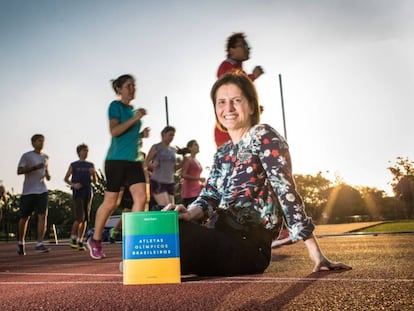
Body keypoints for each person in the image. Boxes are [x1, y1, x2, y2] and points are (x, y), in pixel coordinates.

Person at [164, 71, 351, 276]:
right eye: (221, 102)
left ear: (252, 106)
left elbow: (284, 189)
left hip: (250, 247)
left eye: (236, 100)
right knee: (166, 225)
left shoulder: (263, 136)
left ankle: (149, 262)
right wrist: (188, 214)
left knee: (176, 238)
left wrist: (315, 252)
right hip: (220, 236)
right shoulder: (223, 153)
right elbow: (209, 196)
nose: (228, 108)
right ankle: (147, 263)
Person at [87, 74, 147, 260]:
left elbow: (128, 136)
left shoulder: (133, 110)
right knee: (111, 202)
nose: (132, 88)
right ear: (119, 89)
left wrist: (140, 135)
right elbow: (114, 131)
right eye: (128, 85)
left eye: (134, 85)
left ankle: (135, 241)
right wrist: (136, 118)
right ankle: (95, 239)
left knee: (141, 198)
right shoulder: (116, 106)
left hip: (134, 161)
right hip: (116, 161)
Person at [215, 32, 264, 148]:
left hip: (240, 128)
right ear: (231, 50)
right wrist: (253, 77)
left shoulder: (238, 68)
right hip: (230, 131)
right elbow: (232, 86)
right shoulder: (227, 65)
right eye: (243, 45)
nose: (248, 48)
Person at [109, 126, 150, 243]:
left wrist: (148, 175)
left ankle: (139, 233)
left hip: (141, 184)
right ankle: (116, 231)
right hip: (129, 185)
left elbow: (143, 168)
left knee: (142, 208)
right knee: (129, 210)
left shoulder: (142, 154)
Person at [16, 134, 51, 255]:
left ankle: (39, 244)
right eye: (39, 141)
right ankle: (21, 242)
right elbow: (19, 171)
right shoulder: (27, 156)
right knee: (24, 218)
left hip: (42, 190)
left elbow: (46, 170)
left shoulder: (46, 157)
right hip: (28, 191)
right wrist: (34, 168)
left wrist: (47, 175)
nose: (41, 143)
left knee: (43, 216)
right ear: (33, 143)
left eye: (43, 141)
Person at [64, 143, 97, 251]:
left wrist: (94, 174)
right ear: (79, 152)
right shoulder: (74, 165)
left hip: (88, 192)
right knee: (79, 218)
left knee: (86, 219)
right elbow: (66, 178)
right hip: (78, 193)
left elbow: (95, 182)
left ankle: (80, 240)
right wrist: (74, 185)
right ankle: (73, 238)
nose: (86, 152)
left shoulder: (90, 165)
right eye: (84, 150)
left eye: (87, 151)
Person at [145, 126, 180, 209]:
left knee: (172, 209)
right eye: (170, 135)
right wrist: (152, 165)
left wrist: (182, 163)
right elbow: (145, 163)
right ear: (163, 134)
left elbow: (174, 168)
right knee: (166, 206)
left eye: (173, 135)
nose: (171, 137)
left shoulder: (173, 150)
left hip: (170, 182)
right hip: (158, 181)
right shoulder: (156, 147)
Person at [177, 140, 205, 207]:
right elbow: (183, 174)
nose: (198, 146)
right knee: (191, 213)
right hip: (189, 192)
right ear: (190, 148)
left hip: (197, 190)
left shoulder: (196, 160)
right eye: (195, 145)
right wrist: (198, 178)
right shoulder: (188, 159)